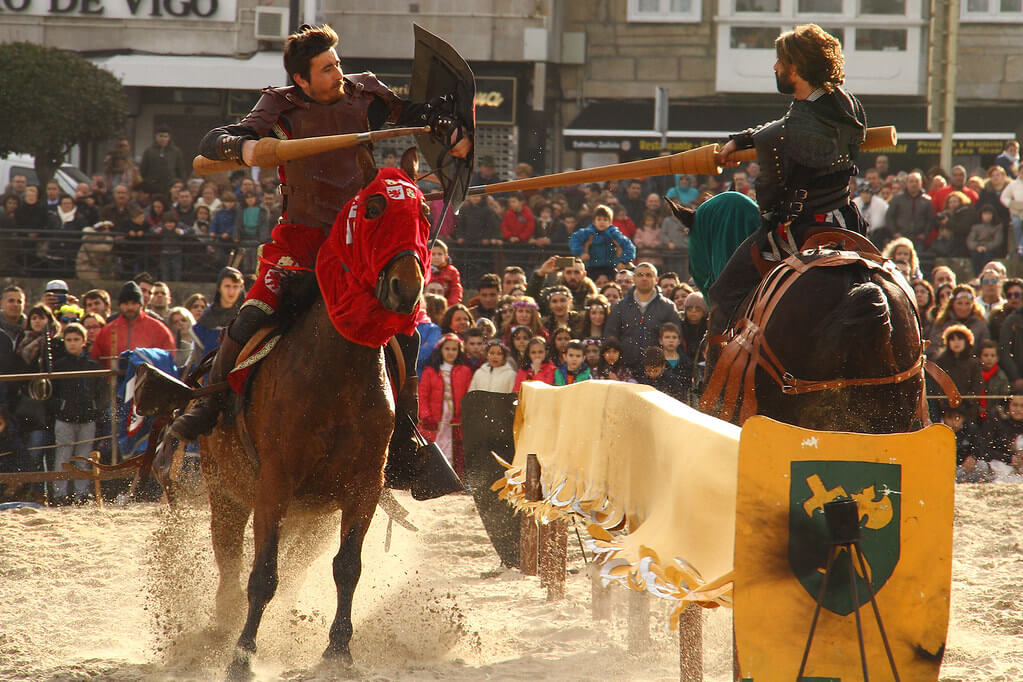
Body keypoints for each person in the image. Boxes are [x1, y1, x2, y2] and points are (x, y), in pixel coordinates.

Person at [161, 23, 472, 486]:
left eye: (338, 64)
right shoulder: (280, 105)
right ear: (302, 80)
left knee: (403, 325)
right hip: (303, 239)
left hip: (356, 242)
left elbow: (422, 114)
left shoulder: (365, 94)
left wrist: (453, 135)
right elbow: (213, 144)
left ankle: (403, 432)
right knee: (250, 316)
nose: (339, 74)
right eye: (327, 69)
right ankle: (214, 402)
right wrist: (250, 147)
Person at [708, 24, 867, 341]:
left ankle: (715, 384)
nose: (775, 67)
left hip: (797, 230)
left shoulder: (782, 135)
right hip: (847, 222)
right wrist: (743, 139)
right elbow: (787, 126)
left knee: (722, 294)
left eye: (780, 61)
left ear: (795, 68)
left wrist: (754, 141)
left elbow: (769, 200)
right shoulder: (847, 104)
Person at [48, 323, 104, 504]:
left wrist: (95, 408)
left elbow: (101, 392)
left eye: (76, 339)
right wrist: (59, 407)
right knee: (62, 456)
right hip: (64, 419)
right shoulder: (58, 366)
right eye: (69, 340)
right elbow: (51, 393)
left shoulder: (92, 366)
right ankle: (59, 494)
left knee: (83, 458)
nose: (72, 343)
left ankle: (81, 494)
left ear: (84, 341)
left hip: (88, 418)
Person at [605, 262, 683, 372]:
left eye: (648, 275)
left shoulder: (668, 307)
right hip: (626, 369)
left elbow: (677, 337)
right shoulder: (620, 307)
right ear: (634, 279)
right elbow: (611, 336)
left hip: (657, 370)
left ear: (656, 279)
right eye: (640, 275)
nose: (644, 278)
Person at [417, 333, 472, 477]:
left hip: (455, 419)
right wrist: (426, 416)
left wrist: (463, 416)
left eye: (454, 349)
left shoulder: (465, 371)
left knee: (455, 449)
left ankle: (454, 479)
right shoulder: (430, 371)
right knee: (436, 447)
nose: (450, 352)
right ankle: (436, 479)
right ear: (441, 350)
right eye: (447, 349)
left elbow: (468, 396)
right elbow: (422, 395)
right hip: (436, 418)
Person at [90, 282, 176, 362]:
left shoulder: (159, 329)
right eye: (126, 303)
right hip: (116, 377)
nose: (130, 307)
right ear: (120, 305)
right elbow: (96, 360)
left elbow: (169, 360)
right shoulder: (107, 330)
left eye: (134, 303)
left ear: (141, 305)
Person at [569, 204, 637, 283]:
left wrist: (623, 261)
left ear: (610, 222)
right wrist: (581, 253)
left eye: (605, 220)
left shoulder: (614, 234)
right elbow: (574, 239)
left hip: (610, 267)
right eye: (599, 219)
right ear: (594, 221)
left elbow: (629, 247)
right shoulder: (588, 232)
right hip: (591, 266)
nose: (602, 222)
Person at [139, 126, 187, 197]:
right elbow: (143, 171)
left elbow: (181, 170)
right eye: (161, 136)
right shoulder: (149, 152)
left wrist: (182, 184)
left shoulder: (176, 152)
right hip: (153, 188)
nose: (163, 139)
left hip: (170, 187)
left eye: (165, 136)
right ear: (156, 136)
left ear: (169, 137)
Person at [430, 240, 463, 306]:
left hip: (445, 306)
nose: (436, 257)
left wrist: (449, 306)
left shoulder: (452, 271)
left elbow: (456, 290)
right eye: (433, 254)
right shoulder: (423, 270)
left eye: (440, 254)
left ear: (446, 256)